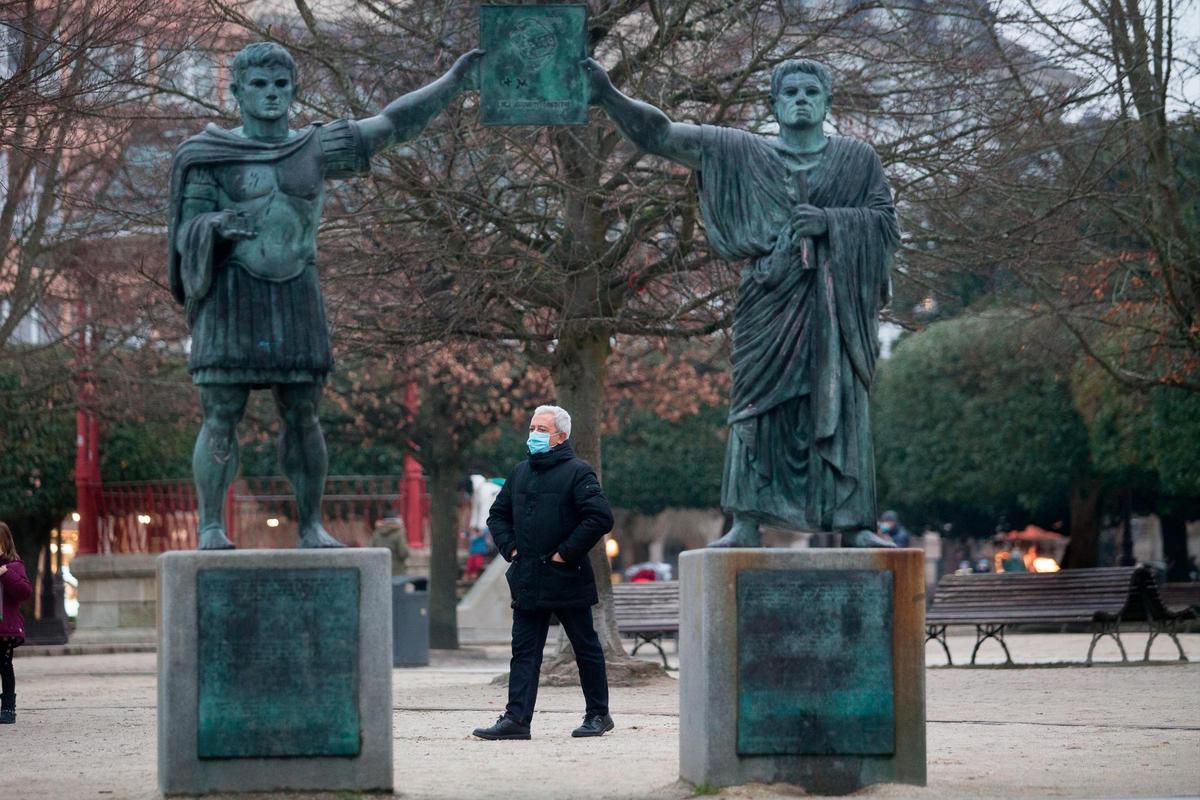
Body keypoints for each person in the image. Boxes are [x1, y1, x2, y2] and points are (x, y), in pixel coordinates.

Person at [168, 42, 483, 550]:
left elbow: (394, 124)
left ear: (294, 90)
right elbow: (187, 233)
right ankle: (210, 526)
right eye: (259, 85)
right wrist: (216, 226)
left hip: (296, 290)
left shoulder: (315, 147)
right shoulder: (210, 155)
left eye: (280, 85)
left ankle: (311, 524)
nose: (271, 94)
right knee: (221, 413)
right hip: (233, 294)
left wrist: (454, 81)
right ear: (235, 92)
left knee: (303, 413)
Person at [584, 57, 899, 549]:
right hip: (768, 303)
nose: (800, 99)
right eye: (789, 92)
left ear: (826, 102)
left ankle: (855, 524)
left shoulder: (858, 160)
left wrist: (832, 223)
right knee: (753, 408)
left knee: (839, 401)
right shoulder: (740, 151)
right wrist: (607, 95)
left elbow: (884, 225)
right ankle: (746, 521)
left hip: (833, 307)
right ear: (773, 104)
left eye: (810, 92)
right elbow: (662, 135)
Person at [472, 405, 615, 740]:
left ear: (560, 436)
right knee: (524, 651)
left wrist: (565, 553)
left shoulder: (579, 472)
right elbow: (497, 516)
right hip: (527, 578)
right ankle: (517, 720)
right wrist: (512, 550)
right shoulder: (520, 472)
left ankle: (599, 715)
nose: (534, 434)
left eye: (542, 429)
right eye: (533, 427)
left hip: (568, 577)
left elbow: (600, 517)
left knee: (585, 648)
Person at [0, 522, 33, 724]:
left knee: (4, 665)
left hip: (4, 629)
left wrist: (6, 574)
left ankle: (8, 708)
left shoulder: (14, 566)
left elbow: (24, 592)